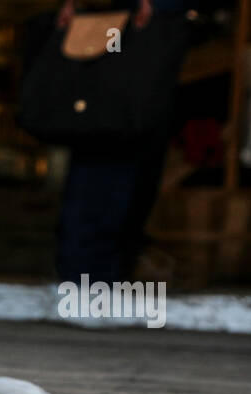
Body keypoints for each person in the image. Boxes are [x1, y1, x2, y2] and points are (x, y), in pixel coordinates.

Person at [54, 0, 189, 284]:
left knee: (131, 154)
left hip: (150, 23)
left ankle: (101, 274)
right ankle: (87, 276)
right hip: (125, 23)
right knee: (109, 147)